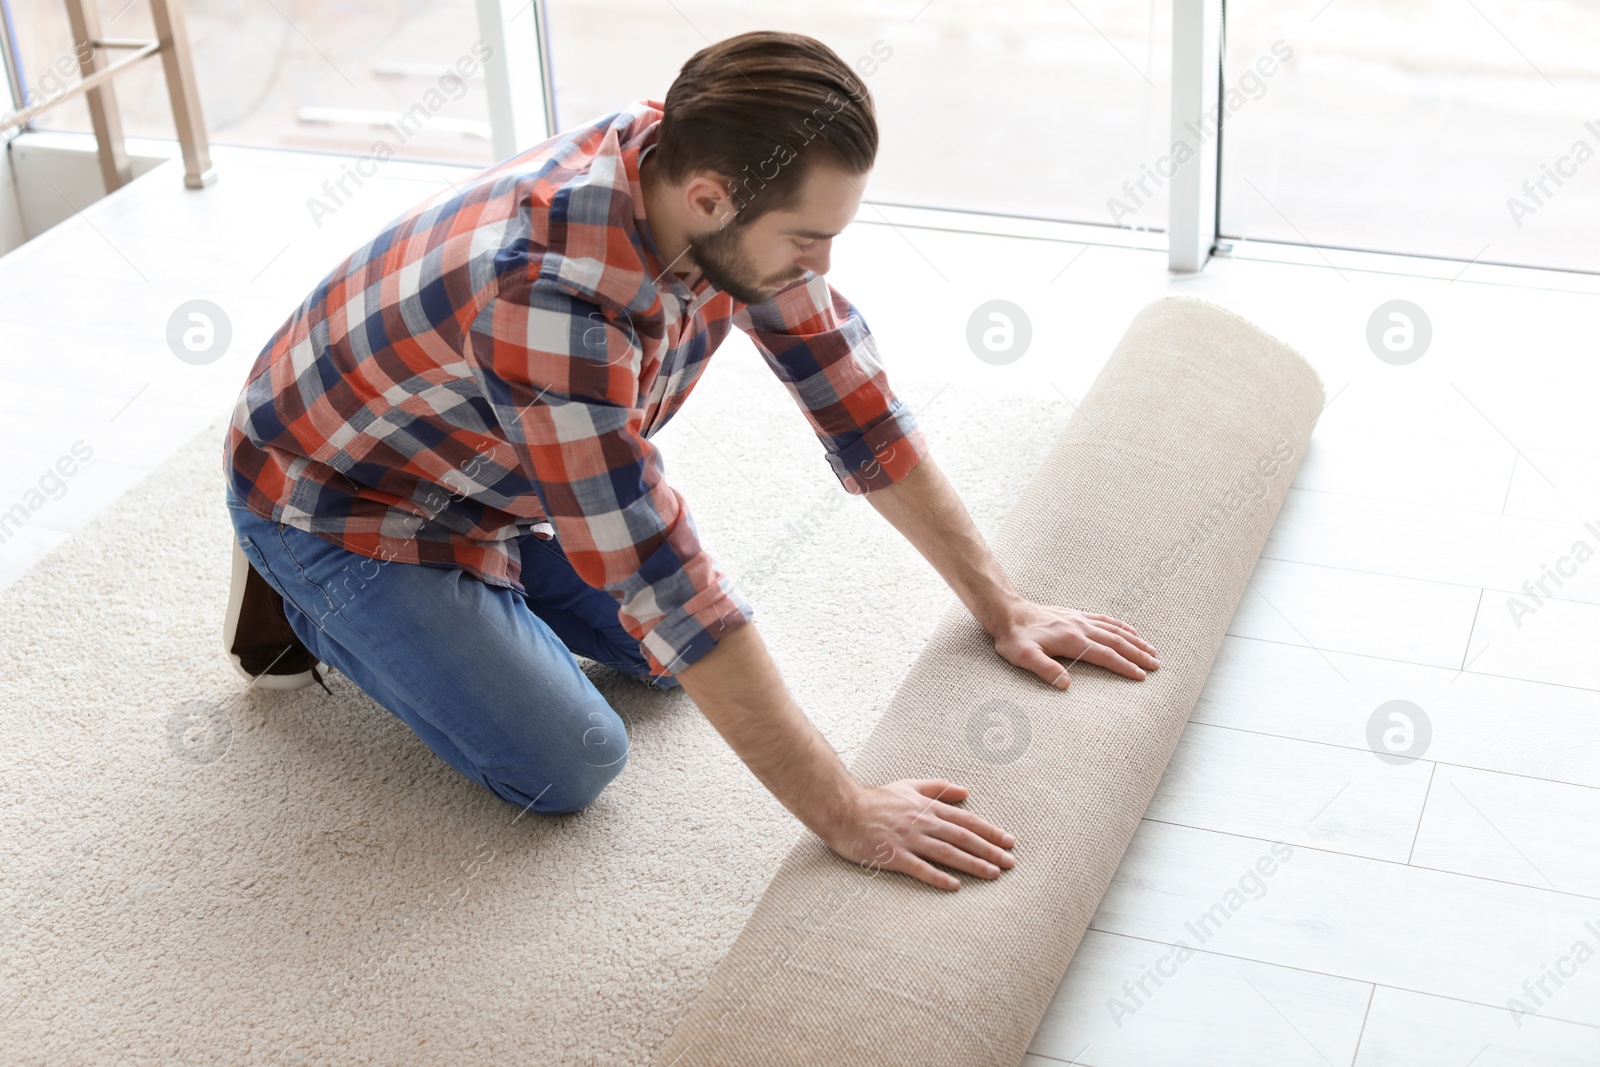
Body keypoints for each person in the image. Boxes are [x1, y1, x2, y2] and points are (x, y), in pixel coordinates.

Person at [221, 30, 1159, 893]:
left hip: (481, 474)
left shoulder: (703, 181)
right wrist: (847, 810)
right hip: (338, 498)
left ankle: (484, 582)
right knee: (572, 758)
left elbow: (859, 410)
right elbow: (668, 584)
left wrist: (1006, 605)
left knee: (671, 667)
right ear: (710, 196)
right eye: (808, 239)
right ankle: (305, 598)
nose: (824, 265)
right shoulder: (551, 300)